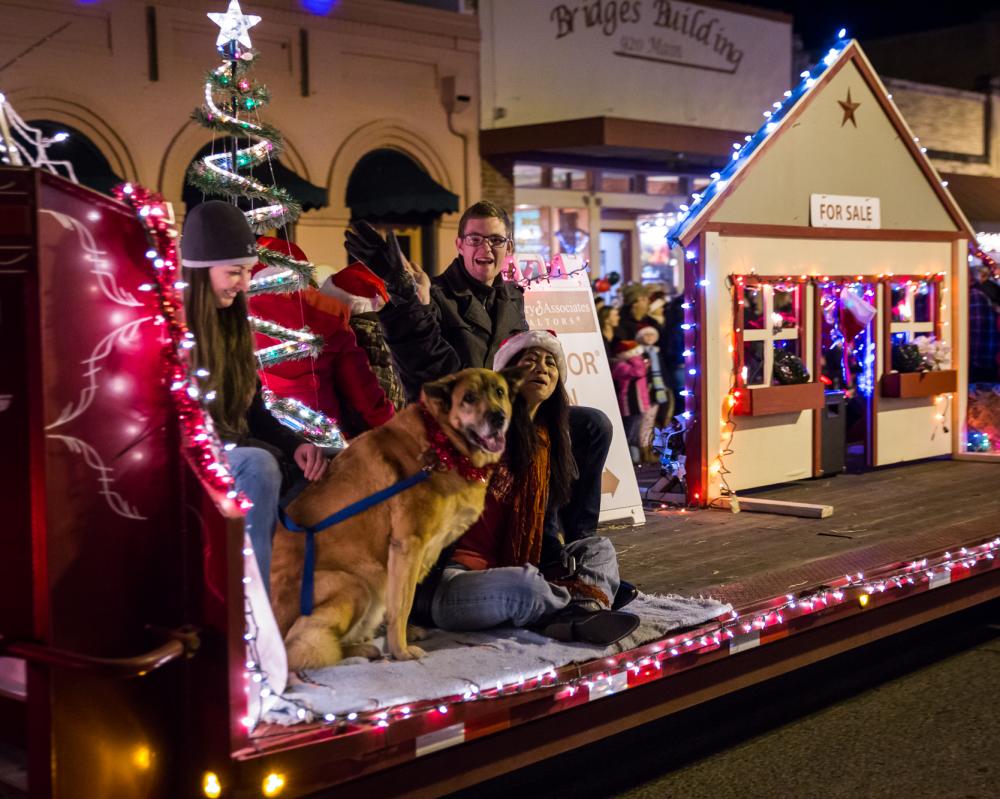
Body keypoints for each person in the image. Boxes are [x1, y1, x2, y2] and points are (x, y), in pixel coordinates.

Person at [345, 201, 614, 548]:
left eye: (495, 240)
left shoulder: (512, 297)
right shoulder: (436, 295)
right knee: (529, 439)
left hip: (509, 415)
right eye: (474, 239)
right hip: (459, 426)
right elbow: (425, 364)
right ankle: (544, 545)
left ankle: (581, 541)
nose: (485, 248)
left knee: (592, 426)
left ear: (509, 248)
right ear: (459, 245)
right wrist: (414, 305)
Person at [422, 331, 639, 646]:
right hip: (452, 582)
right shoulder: (479, 425)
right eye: (530, 360)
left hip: (515, 566)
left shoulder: (544, 445)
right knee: (525, 586)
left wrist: (554, 554)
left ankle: (581, 612)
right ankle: (581, 606)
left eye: (551, 362)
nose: (543, 368)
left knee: (598, 549)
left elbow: (541, 523)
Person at [181, 201, 328, 585]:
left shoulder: (231, 330)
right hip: (192, 464)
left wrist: (297, 442)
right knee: (259, 466)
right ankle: (251, 612)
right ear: (199, 272)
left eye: (247, 272)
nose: (244, 284)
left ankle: (307, 591)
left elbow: (256, 411)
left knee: (330, 462)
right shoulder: (172, 332)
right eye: (234, 272)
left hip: (238, 449)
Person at [249, 238, 395, 439]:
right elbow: (362, 389)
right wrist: (394, 428)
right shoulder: (331, 314)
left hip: (263, 436)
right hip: (322, 435)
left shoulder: (236, 316)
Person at [612, 339, 650, 464]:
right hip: (630, 405)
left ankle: (635, 459)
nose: (638, 356)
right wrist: (636, 359)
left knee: (635, 433)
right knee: (629, 432)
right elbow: (638, 372)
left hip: (640, 405)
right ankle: (627, 459)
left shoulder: (633, 364)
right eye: (634, 353)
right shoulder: (620, 366)